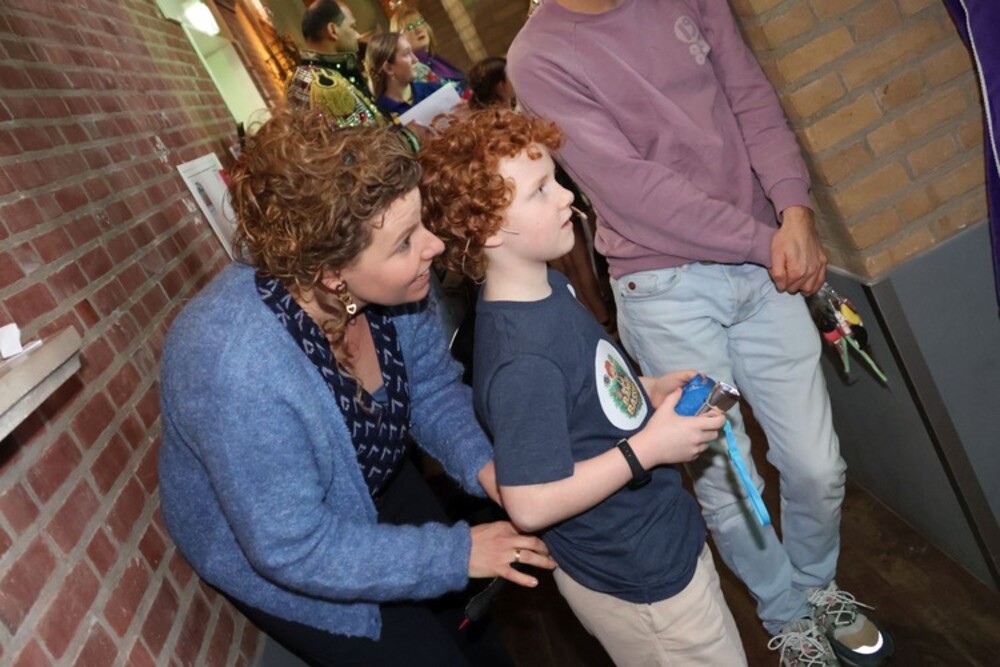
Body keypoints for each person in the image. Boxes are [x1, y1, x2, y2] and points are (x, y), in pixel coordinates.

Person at [506, 2, 894, 666]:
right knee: (730, 479)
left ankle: (816, 585)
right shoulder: (538, 56)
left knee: (817, 464)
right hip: (666, 289)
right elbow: (634, 192)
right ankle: (786, 612)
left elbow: (750, 97)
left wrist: (794, 208)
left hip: (764, 266)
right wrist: (769, 241)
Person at [157, 108, 555, 667]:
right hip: (290, 545)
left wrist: (490, 469)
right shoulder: (236, 367)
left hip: (370, 475)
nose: (433, 246)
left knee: (474, 631)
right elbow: (292, 546)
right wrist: (456, 552)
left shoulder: (400, 287)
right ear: (331, 273)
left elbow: (433, 391)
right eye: (404, 242)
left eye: (420, 222)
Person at [420, 108, 747, 666]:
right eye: (540, 190)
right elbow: (529, 502)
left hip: (658, 539)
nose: (566, 197)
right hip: (637, 578)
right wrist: (648, 448)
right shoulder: (523, 361)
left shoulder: (547, 285)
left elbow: (580, 395)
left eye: (555, 179)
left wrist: (646, 389)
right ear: (488, 229)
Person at [390, 4, 467, 91]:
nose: (419, 29)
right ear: (399, 40)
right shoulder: (413, 71)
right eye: (410, 27)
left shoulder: (434, 59)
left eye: (420, 23)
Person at [365, 31, 443, 118]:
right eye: (406, 54)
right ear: (389, 68)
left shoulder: (434, 90)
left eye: (412, 52)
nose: (415, 59)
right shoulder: (380, 114)